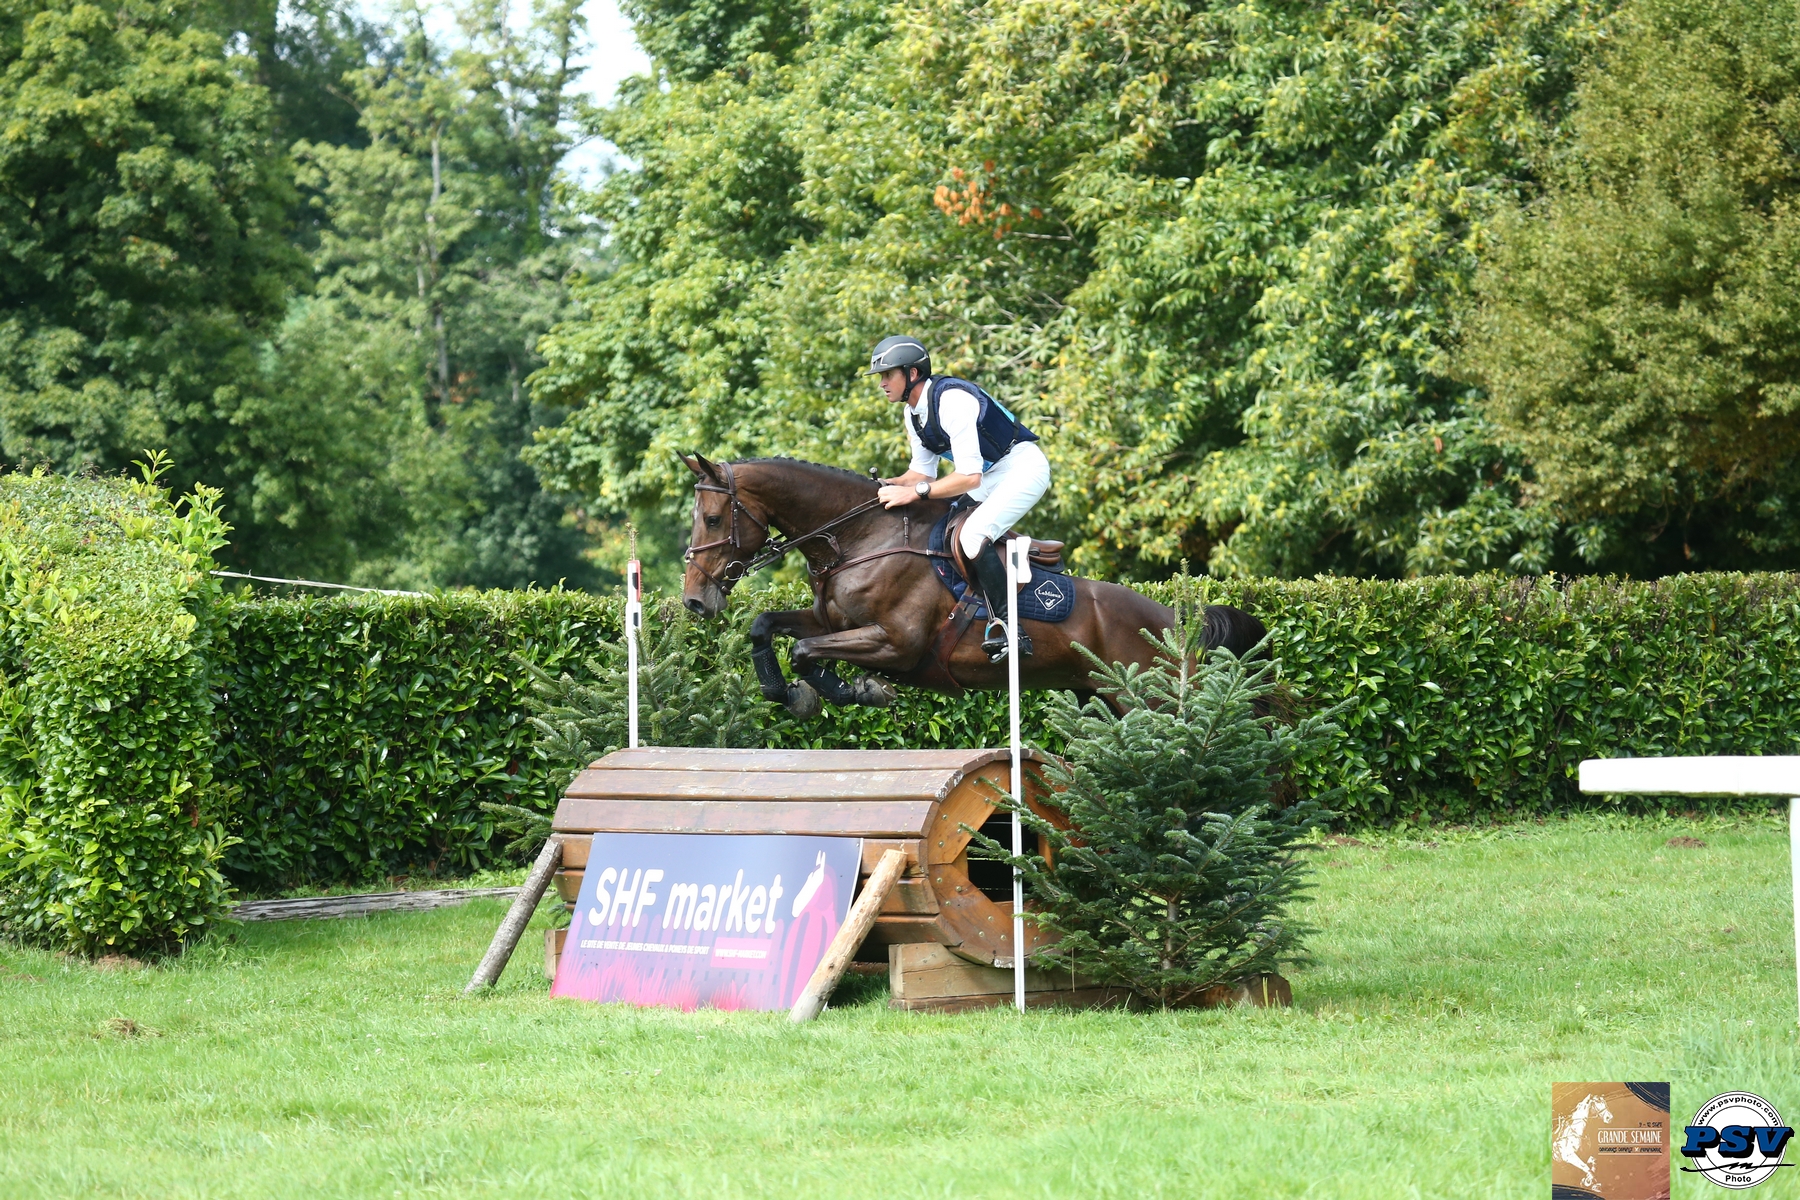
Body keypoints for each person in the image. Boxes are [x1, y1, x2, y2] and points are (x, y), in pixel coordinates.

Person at [867, 335, 1050, 661]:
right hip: (991, 475)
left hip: (1022, 468)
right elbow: (921, 474)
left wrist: (914, 492)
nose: (882, 384)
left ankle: (1011, 628)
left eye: (887, 375)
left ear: (911, 374)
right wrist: (884, 485)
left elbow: (968, 478)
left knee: (973, 535)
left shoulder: (951, 401)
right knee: (941, 526)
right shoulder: (913, 413)